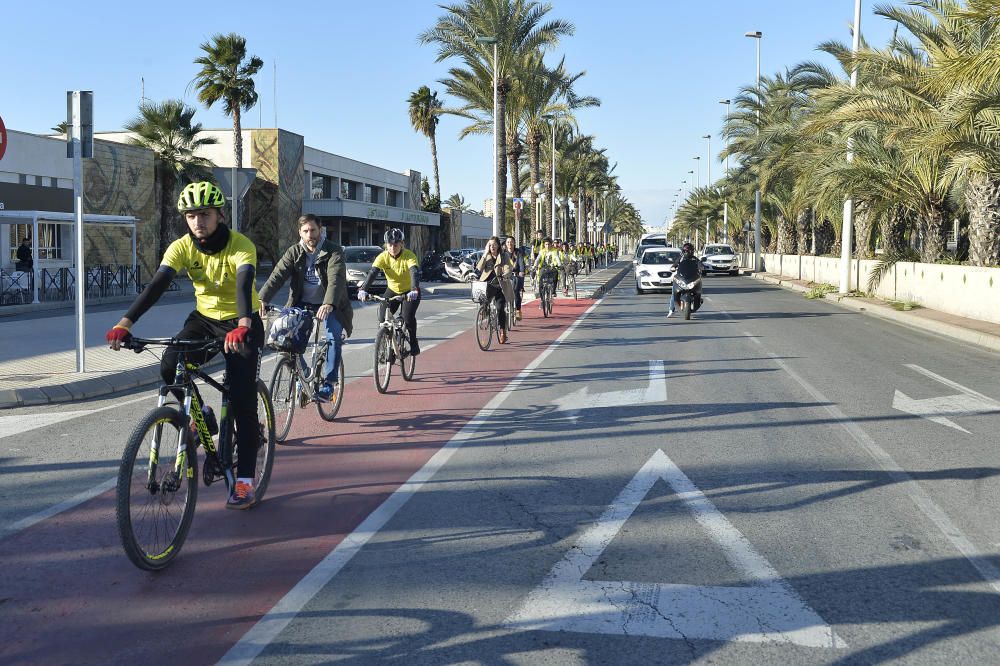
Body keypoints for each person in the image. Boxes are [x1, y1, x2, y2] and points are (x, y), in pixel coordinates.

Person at [105, 181, 265, 509]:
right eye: (190, 216)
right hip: (205, 320)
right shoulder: (181, 247)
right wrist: (126, 323)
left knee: (243, 400)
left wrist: (244, 325)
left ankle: (246, 480)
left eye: (204, 214)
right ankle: (201, 415)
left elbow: (244, 282)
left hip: (241, 322)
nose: (197, 222)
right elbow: (158, 284)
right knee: (169, 364)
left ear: (220, 215)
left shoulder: (240, 245)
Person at [258, 214, 353, 402]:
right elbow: (277, 275)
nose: (310, 235)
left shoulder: (333, 251)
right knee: (285, 337)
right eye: (305, 231)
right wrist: (262, 298)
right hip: (302, 303)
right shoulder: (294, 252)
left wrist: (329, 303)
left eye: (313, 230)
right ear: (300, 232)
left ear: (320, 230)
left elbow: (336, 279)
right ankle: (304, 374)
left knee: (333, 336)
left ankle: (329, 384)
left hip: (331, 304)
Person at [358, 229, 421, 356]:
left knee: (407, 318)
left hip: (409, 291)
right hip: (392, 290)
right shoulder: (383, 257)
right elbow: (373, 273)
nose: (393, 248)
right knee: (382, 319)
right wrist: (363, 289)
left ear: (402, 244)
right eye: (390, 245)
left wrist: (414, 289)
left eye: (396, 245)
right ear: (386, 245)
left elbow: (414, 272)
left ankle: (414, 343)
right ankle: (385, 348)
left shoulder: (409, 256)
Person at [476, 236, 511, 343]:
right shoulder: (486, 256)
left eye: (494, 244)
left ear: (498, 245)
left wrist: (505, 274)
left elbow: (508, 267)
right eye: (490, 245)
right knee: (482, 297)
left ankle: (502, 331)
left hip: (500, 285)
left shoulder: (504, 255)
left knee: (500, 308)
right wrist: (485, 254)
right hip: (487, 285)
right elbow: (479, 268)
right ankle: (484, 311)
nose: (492, 247)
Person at [668, 242, 704, 318]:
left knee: (698, 286)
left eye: (691, 250)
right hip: (681, 278)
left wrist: (701, 267)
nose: (690, 252)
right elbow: (674, 264)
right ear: (684, 251)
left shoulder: (695, 259)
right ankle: (671, 310)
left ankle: (698, 299)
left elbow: (700, 264)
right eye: (688, 251)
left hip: (691, 278)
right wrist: (673, 267)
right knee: (673, 292)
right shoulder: (680, 258)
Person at [503, 236, 526, 320]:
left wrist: (522, 271)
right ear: (506, 244)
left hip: (516, 274)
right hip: (506, 275)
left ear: (514, 243)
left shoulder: (518, 252)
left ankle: (518, 310)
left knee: (516, 292)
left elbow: (521, 263)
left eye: (511, 242)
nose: (510, 243)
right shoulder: (503, 253)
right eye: (508, 242)